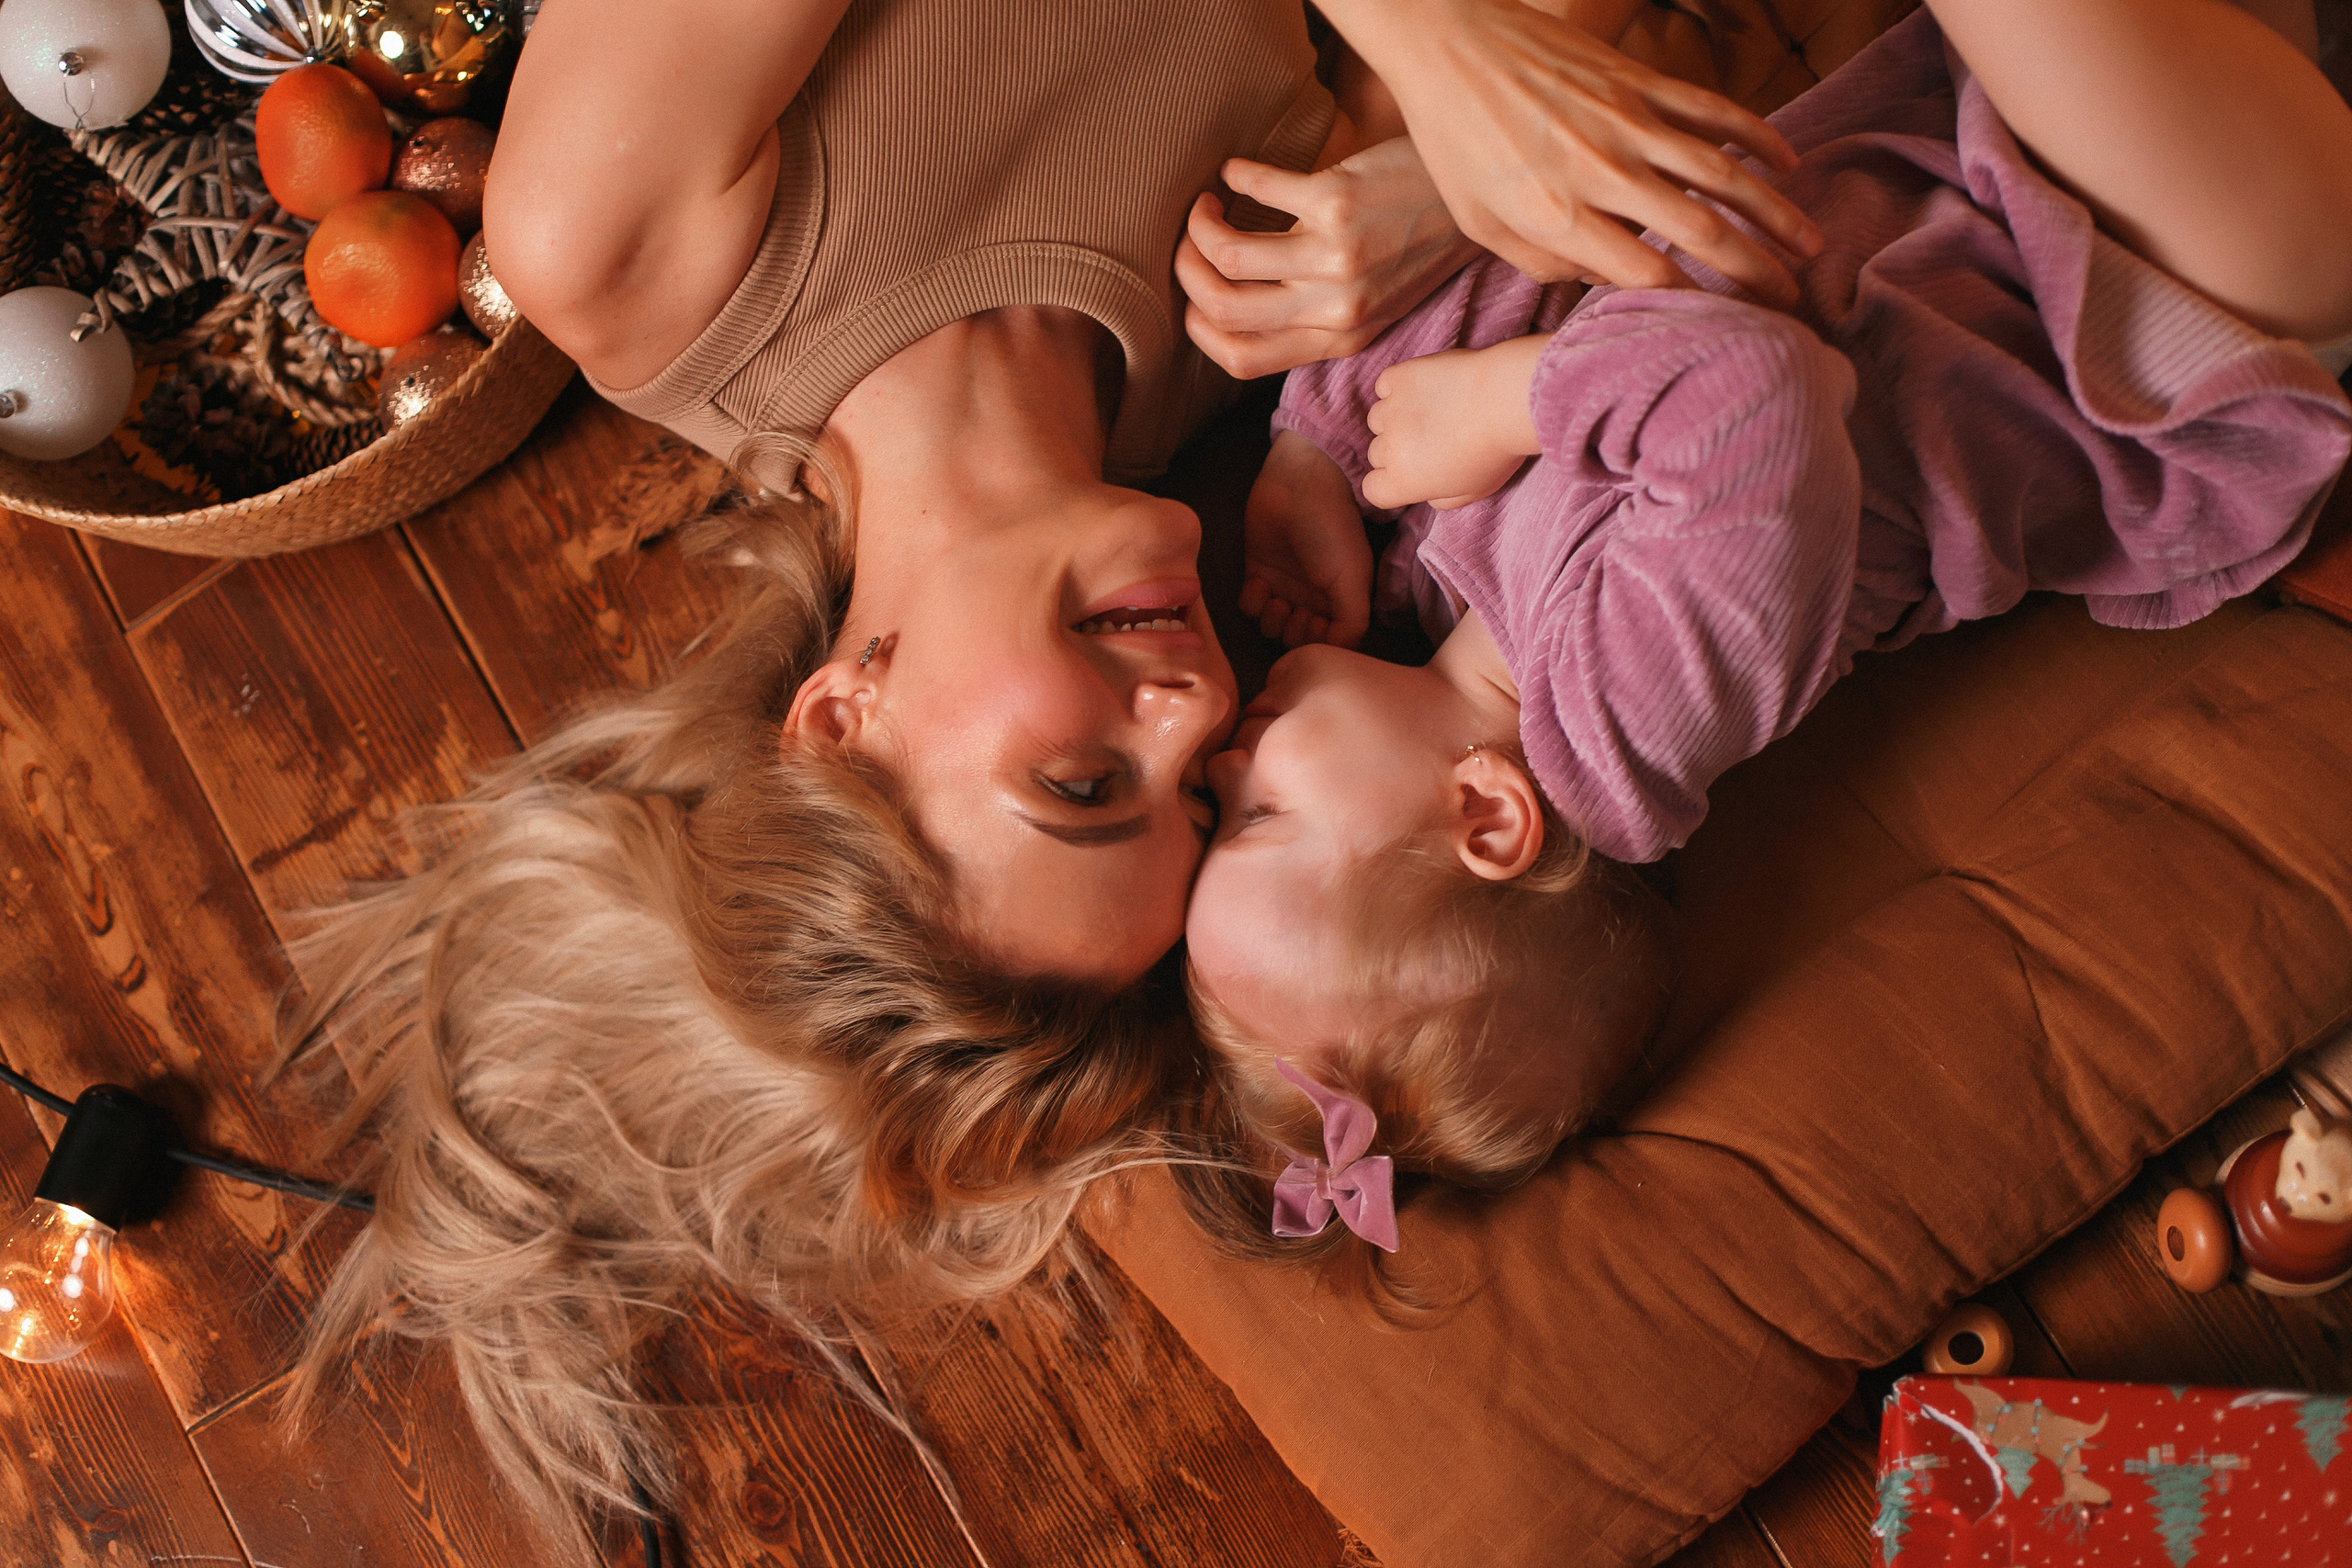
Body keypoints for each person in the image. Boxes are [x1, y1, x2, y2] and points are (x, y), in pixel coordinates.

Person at [269, 1, 1824, 1558]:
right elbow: (1645, 104)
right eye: (1200, 796)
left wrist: (1435, 62)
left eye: (1080, 783)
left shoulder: (632, 251)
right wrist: (1431, 189)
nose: (1192, 706)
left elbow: (1503, 93)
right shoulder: (1258, 335)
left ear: (838, 721)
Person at [1175, 0, 2352, 1299]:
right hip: (2144, 297)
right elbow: (1763, 395)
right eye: (1259, 815)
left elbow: (1498, 283)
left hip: (1989, 140)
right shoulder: (1628, 721)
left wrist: (1319, 454)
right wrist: (1510, 403)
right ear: (1488, 817)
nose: (1224, 758)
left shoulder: (1441, 594)